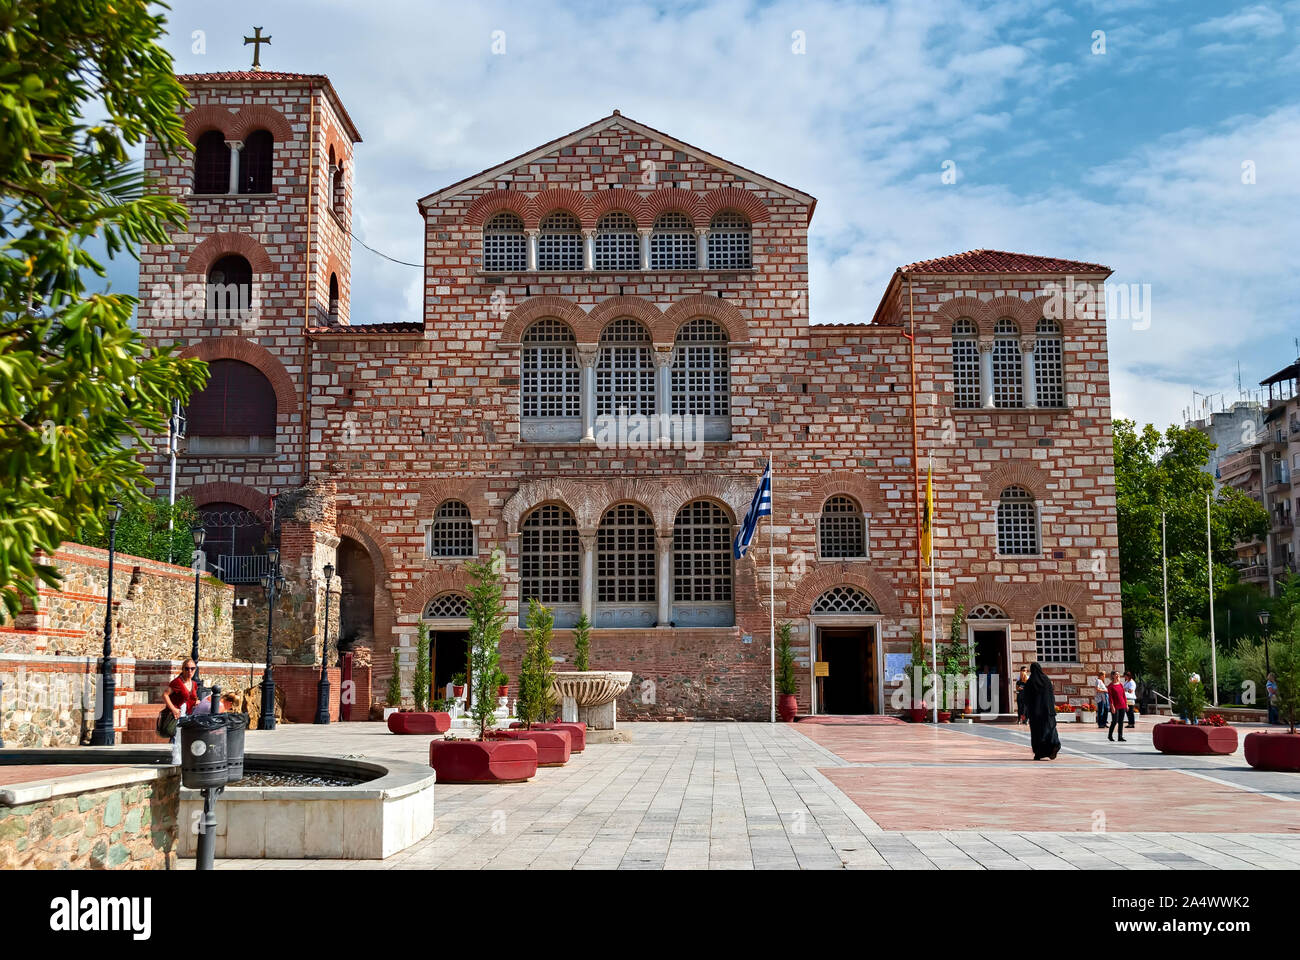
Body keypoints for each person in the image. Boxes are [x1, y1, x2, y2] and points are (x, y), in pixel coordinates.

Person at [1022, 662, 1060, 760]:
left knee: (1037, 733)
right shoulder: (1046, 680)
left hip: (1035, 714)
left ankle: (1039, 753)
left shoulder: (1030, 682)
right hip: (1048, 712)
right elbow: (1051, 696)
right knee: (1050, 729)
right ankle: (1053, 745)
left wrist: (1026, 711)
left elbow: (1026, 698)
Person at [163, 659, 199, 764]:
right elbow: (165, 695)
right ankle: (176, 762)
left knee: (185, 737)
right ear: (183, 669)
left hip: (187, 715)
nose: (190, 671)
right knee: (177, 737)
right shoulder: (177, 682)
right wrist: (173, 709)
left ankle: (184, 760)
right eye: (187, 668)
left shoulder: (194, 684)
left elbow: (193, 697)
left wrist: (196, 701)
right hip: (177, 715)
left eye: (192, 669)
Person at [1107, 670, 1128, 742]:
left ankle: (1120, 737)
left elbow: (1124, 695)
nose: (1118, 676)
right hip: (1115, 706)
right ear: (1112, 676)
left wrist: (1126, 704)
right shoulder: (1110, 686)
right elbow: (1110, 697)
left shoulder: (1121, 684)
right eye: (1116, 674)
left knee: (1121, 721)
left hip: (1122, 705)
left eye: (1118, 674)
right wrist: (1112, 706)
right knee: (1114, 721)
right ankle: (1110, 735)